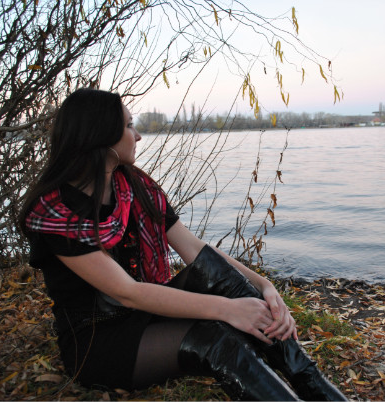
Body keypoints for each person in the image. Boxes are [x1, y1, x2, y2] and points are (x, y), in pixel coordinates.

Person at [18, 88, 347, 401]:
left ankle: (312, 383)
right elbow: (127, 292)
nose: (138, 135)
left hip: (143, 314)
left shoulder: (134, 186)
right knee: (217, 341)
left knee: (216, 272)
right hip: (98, 339)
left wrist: (264, 286)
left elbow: (194, 248)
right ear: (100, 135)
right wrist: (229, 310)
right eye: (129, 126)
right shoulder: (55, 213)